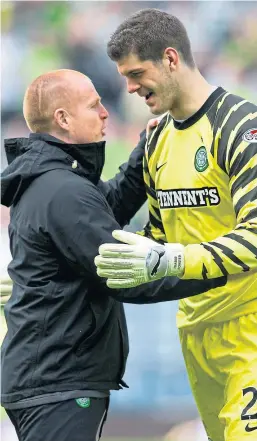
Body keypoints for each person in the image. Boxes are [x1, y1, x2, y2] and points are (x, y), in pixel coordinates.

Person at [0, 69, 223, 441]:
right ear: (63, 119)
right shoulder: (62, 191)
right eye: (94, 105)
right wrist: (219, 266)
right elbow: (122, 272)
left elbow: (107, 210)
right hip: (58, 379)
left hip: (50, 376)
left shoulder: (54, 181)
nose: (106, 112)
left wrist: (142, 155)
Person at [95, 8, 257, 441]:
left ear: (170, 59)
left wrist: (170, 258)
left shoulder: (241, 127)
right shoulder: (156, 141)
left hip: (250, 328)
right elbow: (159, 240)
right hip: (196, 332)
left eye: (136, 73)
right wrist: (46, 273)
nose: (128, 88)